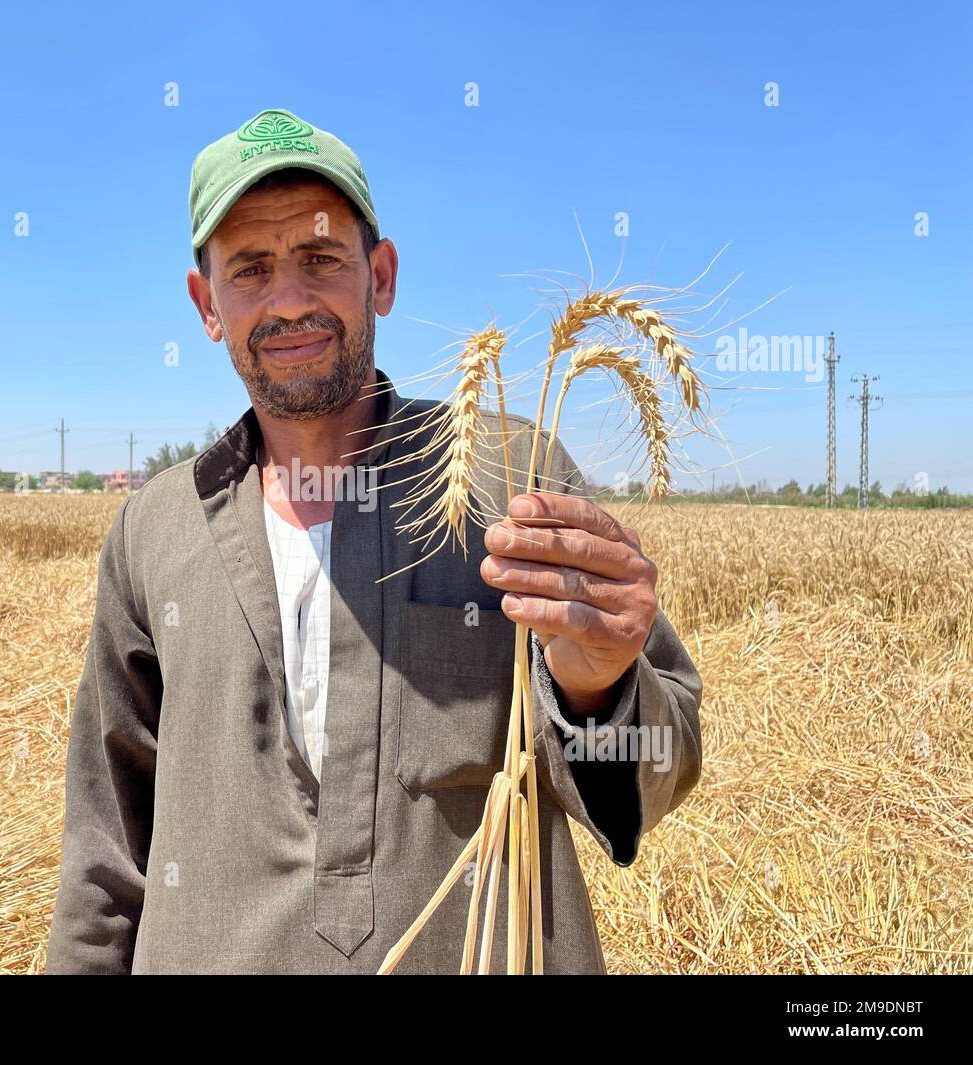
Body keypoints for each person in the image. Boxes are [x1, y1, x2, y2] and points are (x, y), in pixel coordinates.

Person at [46, 108, 701, 974]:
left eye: (320, 259)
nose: (288, 301)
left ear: (380, 276)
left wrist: (599, 687)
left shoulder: (514, 478)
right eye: (250, 269)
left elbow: (657, 770)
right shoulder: (153, 529)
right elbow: (106, 849)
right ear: (206, 304)